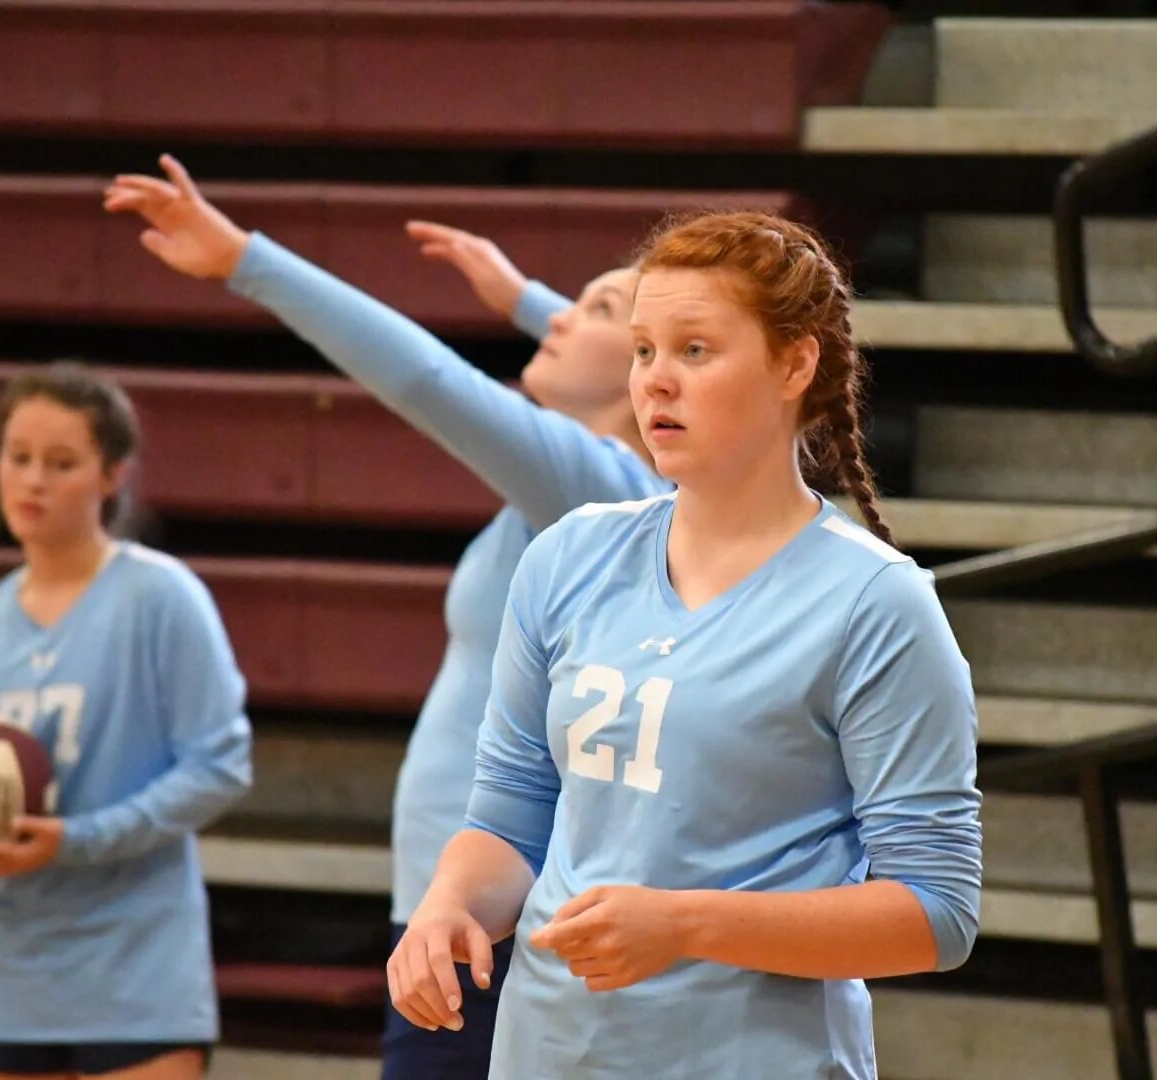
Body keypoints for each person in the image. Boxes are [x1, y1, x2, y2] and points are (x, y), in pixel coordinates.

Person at [103, 155, 667, 1078]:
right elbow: (601, 354)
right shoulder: (579, 482)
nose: (558, 314)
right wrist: (523, 297)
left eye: (594, 309)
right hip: (458, 913)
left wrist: (247, 259)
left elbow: (430, 381)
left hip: (510, 920)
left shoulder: (591, 486)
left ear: (649, 366)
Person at [388, 210, 983, 1078]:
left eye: (694, 351)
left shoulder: (876, 603)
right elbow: (509, 822)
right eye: (642, 351)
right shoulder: (567, 557)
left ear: (795, 363)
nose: (656, 382)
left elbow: (937, 913)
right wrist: (450, 904)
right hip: (548, 1053)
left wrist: (685, 925)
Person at [0, 362, 253, 1079]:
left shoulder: (162, 598)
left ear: (112, 475)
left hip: (138, 970)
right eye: (18, 457)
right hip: (9, 972)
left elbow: (221, 767)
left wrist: (74, 840)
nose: (33, 481)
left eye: (61, 463)